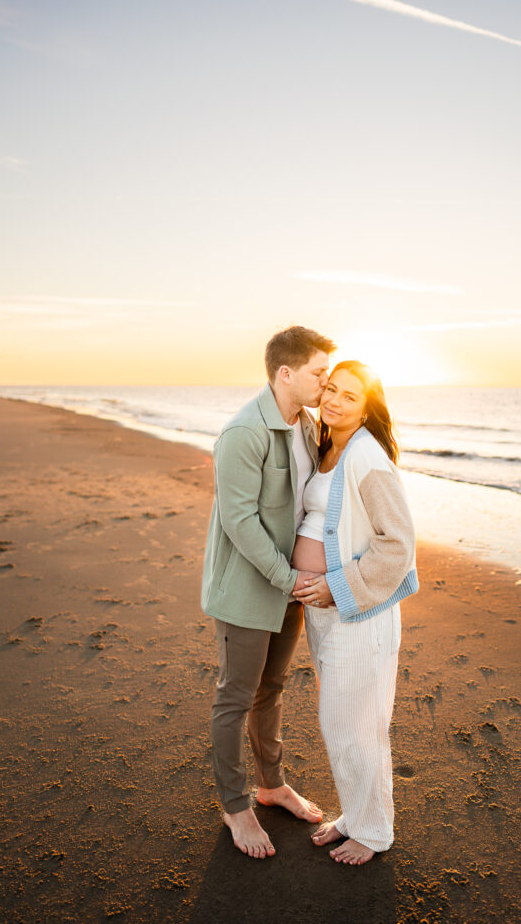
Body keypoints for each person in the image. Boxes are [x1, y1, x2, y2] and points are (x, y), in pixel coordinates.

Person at [201, 326, 336, 859]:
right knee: (235, 697)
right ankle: (236, 807)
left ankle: (271, 785)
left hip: (289, 587)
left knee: (271, 689)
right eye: (318, 373)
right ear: (286, 373)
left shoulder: (304, 425)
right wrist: (289, 580)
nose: (326, 382)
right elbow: (239, 519)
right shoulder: (243, 433)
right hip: (250, 589)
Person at [292, 360, 419, 865]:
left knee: (357, 723)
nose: (335, 401)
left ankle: (373, 832)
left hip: (358, 614)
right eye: (331, 390)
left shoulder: (367, 457)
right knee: (340, 720)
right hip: (326, 612)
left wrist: (339, 588)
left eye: (350, 395)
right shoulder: (329, 448)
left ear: (368, 407)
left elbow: (399, 545)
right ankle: (355, 814)